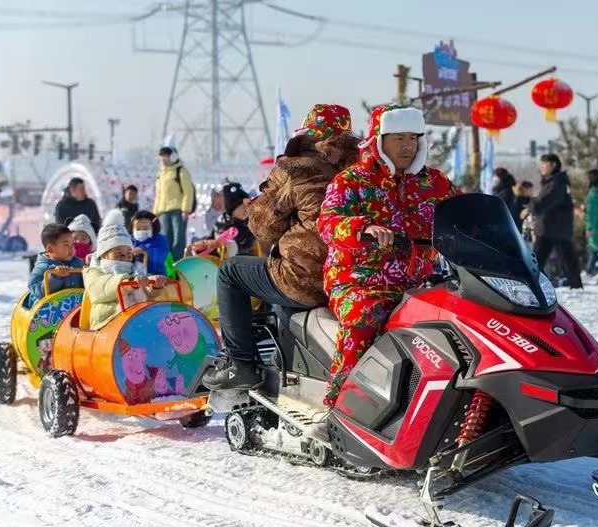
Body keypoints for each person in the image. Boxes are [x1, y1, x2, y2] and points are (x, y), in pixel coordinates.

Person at [201, 104, 361, 391]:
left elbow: (262, 227)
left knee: (230, 273)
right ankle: (286, 355)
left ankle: (240, 364)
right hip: (351, 279)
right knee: (278, 273)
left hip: (309, 278)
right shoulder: (363, 169)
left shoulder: (296, 167)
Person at [315, 104, 458, 407]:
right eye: (399, 138)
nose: (408, 146)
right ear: (379, 140)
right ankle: (339, 406)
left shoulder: (435, 183)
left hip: (423, 281)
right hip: (360, 279)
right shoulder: (352, 181)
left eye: (413, 137)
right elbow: (328, 224)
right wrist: (363, 228)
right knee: (362, 316)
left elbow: (465, 215)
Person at [83, 210, 167, 329]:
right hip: (107, 322)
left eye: (128, 254)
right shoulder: (95, 272)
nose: (125, 259)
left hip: (135, 320)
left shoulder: (134, 270)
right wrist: (128, 283)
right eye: (119, 255)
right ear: (104, 255)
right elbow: (101, 287)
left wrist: (154, 284)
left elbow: (146, 292)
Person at [521, 154, 583, 289]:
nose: (541, 168)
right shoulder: (553, 182)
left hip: (553, 227)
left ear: (554, 165)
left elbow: (545, 202)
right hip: (551, 227)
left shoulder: (557, 183)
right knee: (546, 258)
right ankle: (574, 283)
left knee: (542, 258)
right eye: (541, 165)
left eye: (545, 165)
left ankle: (530, 283)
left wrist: (530, 208)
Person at [192, 182, 258, 258]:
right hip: (218, 259)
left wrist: (224, 245)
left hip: (240, 262)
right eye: (242, 208)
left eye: (247, 207)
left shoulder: (248, 226)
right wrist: (203, 245)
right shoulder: (221, 222)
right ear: (232, 210)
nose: (246, 210)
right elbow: (212, 238)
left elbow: (247, 246)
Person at [153, 146, 194, 262]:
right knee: (165, 240)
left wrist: (186, 209)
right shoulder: (160, 174)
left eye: (165, 158)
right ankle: (167, 266)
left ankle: (178, 264)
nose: (163, 161)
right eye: (161, 159)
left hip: (178, 211)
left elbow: (188, 192)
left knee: (178, 240)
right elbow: (158, 194)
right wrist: (155, 212)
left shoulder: (180, 171)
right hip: (163, 212)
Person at [28, 224, 84, 307]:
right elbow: (36, 291)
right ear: (50, 249)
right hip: (50, 311)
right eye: (66, 245)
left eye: (72, 244)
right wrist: (54, 277)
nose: (71, 248)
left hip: (75, 307)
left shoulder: (78, 264)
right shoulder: (43, 267)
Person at [131, 211, 175, 278]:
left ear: (153, 227)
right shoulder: (129, 240)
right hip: (132, 277)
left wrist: (144, 251)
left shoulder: (160, 240)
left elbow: (160, 256)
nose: (141, 231)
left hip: (156, 277)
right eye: (138, 228)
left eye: (145, 228)